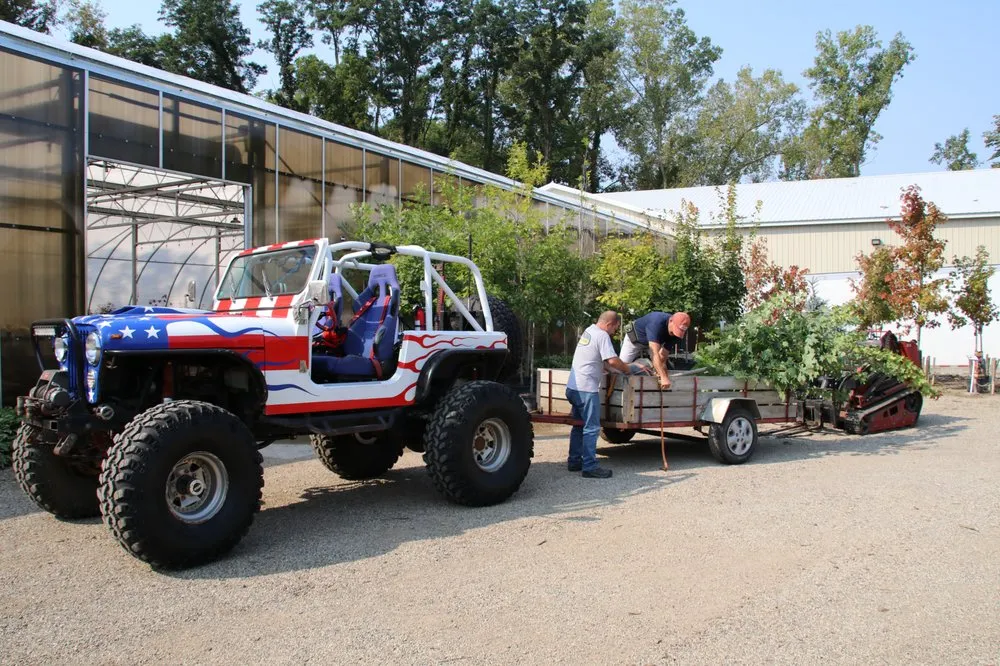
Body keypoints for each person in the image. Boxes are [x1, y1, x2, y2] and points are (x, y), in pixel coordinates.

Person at [565, 311, 633, 479]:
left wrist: (613, 369)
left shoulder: (589, 331)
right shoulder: (602, 336)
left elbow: (600, 362)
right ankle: (589, 467)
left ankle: (574, 461)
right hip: (586, 389)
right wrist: (628, 369)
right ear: (610, 324)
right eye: (615, 328)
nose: (614, 332)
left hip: (573, 387)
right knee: (592, 428)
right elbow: (612, 360)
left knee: (579, 425)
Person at [620, 311, 691, 390]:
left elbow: (662, 357)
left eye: (680, 331)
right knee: (621, 366)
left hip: (653, 342)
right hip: (635, 339)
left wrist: (662, 375)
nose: (675, 333)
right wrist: (664, 377)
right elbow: (655, 354)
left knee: (659, 367)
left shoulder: (677, 335)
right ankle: (636, 366)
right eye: (676, 329)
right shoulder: (656, 323)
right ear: (671, 321)